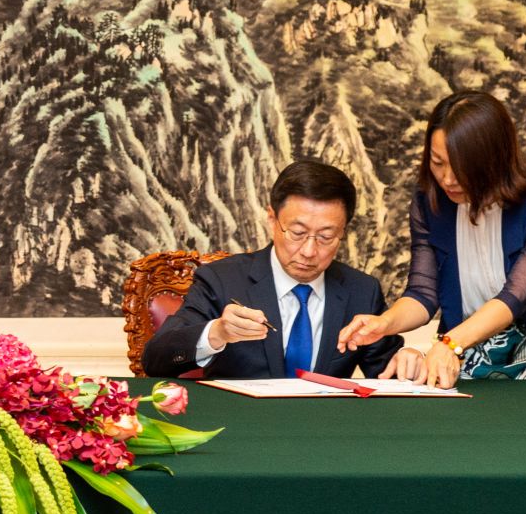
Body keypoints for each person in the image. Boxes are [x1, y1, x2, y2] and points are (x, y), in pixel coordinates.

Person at [337, 91, 526, 386]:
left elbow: (515, 297)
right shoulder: (429, 203)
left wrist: (451, 343)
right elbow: (422, 293)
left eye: (462, 168)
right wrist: (385, 323)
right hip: (468, 358)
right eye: (438, 162)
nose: (448, 179)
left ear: (496, 160)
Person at [142, 160, 404, 379]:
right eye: (298, 233)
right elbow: (156, 360)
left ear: (343, 232)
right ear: (272, 219)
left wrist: (408, 362)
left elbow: (389, 371)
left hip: (326, 432)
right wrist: (217, 332)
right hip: (241, 430)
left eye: (326, 236)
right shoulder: (222, 280)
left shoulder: (361, 290)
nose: (309, 251)